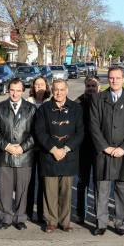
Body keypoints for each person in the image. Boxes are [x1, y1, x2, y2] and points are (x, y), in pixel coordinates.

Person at [89, 66, 124, 236]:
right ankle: (101, 223)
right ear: (107, 79)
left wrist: (123, 148)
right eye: (111, 78)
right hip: (103, 152)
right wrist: (105, 147)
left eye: (118, 78)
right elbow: (93, 126)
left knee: (122, 189)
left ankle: (120, 224)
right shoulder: (98, 99)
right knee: (101, 189)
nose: (114, 81)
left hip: (123, 153)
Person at [35, 79, 84, 232]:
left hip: (68, 156)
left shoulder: (76, 108)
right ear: (52, 91)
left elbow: (80, 132)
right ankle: (51, 221)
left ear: (67, 91)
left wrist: (65, 149)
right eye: (56, 89)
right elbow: (39, 131)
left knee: (66, 191)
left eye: (62, 89)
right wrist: (53, 149)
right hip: (49, 156)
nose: (59, 92)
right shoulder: (44, 109)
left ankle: (65, 222)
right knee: (49, 191)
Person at [0, 78, 36, 230]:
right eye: (12, 90)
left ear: (23, 91)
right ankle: (6, 217)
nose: (15, 93)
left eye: (18, 90)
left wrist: (22, 147)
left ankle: (20, 217)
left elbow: (36, 132)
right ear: (9, 90)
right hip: (5, 155)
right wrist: (7, 146)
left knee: (22, 189)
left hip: (24, 156)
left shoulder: (31, 109)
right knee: (5, 188)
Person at [75, 76, 100, 224]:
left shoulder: (103, 101)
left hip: (99, 149)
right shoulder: (77, 102)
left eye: (93, 86)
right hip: (83, 148)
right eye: (88, 86)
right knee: (82, 182)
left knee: (99, 183)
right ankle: (80, 213)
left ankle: (99, 213)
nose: (91, 88)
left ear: (99, 87)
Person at [26, 75, 50, 222]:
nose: (40, 87)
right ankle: (28, 212)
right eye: (37, 85)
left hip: (44, 149)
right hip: (29, 149)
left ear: (46, 87)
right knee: (29, 182)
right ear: (33, 87)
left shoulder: (50, 103)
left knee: (43, 182)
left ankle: (41, 213)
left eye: (42, 84)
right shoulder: (27, 103)